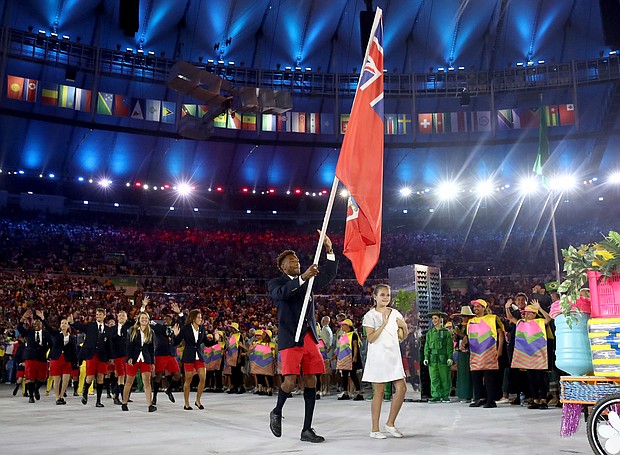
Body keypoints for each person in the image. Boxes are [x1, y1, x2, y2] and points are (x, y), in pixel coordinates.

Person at [268, 230, 337, 443]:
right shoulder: (275, 282)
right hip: (290, 337)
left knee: (311, 379)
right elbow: (282, 295)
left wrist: (329, 250)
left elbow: (327, 277)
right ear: (283, 266)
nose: (296, 261)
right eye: (292, 260)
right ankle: (277, 411)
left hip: (308, 336)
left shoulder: (307, 281)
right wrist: (303, 277)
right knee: (290, 380)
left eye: (297, 259)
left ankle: (306, 429)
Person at [362, 284, 409, 439]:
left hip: (393, 356)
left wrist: (404, 326)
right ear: (375, 297)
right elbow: (371, 338)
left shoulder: (395, 313)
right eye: (382, 295)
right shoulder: (370, 315)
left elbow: (402, 337)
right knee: (379, 392)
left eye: (387, 295)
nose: (385, 297)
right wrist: (383, 324)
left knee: (401, 388)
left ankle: (390, 423)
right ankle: (375, 429)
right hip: (378, 356)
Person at [504, 299, 552, 409]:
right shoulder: (521, 323)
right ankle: (535, 400)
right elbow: (510, 318)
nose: (526, 314)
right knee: (531, 379)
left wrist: (539, 308)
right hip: (527, 356)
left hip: (539, 355)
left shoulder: (539, 321)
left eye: (529, 312)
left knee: (540, 378)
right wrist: (507, 308)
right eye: (525, 313)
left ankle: (543, 400)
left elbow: (548, 319)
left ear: (534, 314)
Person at [173, 309, 218, 410]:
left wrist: (215, 340)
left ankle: (198, 400)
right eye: (198, 317)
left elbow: (206, 343)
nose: (200, 319)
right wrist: (175, 335)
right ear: (193, 318)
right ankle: (186, 403)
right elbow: (176, 342)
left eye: (201, 317)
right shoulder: (185, 328)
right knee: (188, 379)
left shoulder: (202, 328)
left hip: (199, 356)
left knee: (203, 377)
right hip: (189, 356)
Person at [68, 308, 110, 408]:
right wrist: (72, 322)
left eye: (100, 314)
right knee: (90, 377)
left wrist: (110, 357)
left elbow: (109, 344)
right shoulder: (91, 326)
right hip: (91, 354)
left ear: (104, 316)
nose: (98, 316)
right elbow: (81, 327)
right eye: (97, 314)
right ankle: (85, 392)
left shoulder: (107, 329)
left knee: (100, 378)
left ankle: (98, 401)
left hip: (102, 356)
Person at [467, 299, 505, 409]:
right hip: (475, 352)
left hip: (489, 351)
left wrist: (500, 349)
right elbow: (468, 336)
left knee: (489, 378)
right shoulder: (471, 321)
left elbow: (500, 334)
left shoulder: (493, 318)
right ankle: (479, 398)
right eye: (475, 307)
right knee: (476, 377)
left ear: (484, 308)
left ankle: (491, 400)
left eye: (478, 306)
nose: (476, 308)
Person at [121, 311, 156, 412]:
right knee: (129, 381)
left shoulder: (151, 332)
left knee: (147, 382)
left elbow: (151, 348)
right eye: (142, 318)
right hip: (133, 359)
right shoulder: (132, 330)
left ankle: (150, 405)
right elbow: (128, 346)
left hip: (146, 359)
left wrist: (152, 362)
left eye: (146, 318)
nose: (144, 320)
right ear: (139, 319)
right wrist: (129, 357)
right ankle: (124, 402)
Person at [152, 301, 183, 405]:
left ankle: (169, 390)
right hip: (160, 354)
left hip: (171, 355)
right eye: (165, 318)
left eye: (168, 318)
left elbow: (184, 324)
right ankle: (154, 397)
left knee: (177, 375)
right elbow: (148, 321)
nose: (166, 319)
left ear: (171, 319)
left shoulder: (175, 328)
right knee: (158, 376)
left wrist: (179, 313)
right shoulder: (158, 327)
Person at [17, 309, 51, 403]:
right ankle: (31, 396)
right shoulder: (29, 332)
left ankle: (36, 389)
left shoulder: (46, 333)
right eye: (35, 324)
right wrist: (23, 318)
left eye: (38, 323)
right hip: (30, 357)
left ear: (41, 325)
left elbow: (51, 341)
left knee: (42, 378)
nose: (36, 325)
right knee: (30, 378)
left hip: (42, 358)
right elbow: (19, 327)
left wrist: (47, 351)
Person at [47, 317, 78, 405]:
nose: (63, 325)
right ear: (60, 326)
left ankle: (61, 396)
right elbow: (48, 328)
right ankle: (57, 397)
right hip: (56, 359)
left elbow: (74, 350)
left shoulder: (72, 338)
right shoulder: (56, 334)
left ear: (68, 326)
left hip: (67, 359)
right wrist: (42, 318)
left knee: (65, 379)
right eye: (62, 323)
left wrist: (75, 362)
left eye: (65, 323)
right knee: (57, 379)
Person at [424, 311, 453, 403]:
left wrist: (450, 357)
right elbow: (427, 346)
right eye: (433, 319)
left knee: (444, 377)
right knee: (434, 377)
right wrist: (426, 357)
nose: (434, 320)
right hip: (432, 358)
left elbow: (449, 346)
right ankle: (436, 395)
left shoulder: (446, 333)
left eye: (435, 318)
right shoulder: (430, 333)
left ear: (440, 319)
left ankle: (445, 395)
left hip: (443, 358)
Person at [335, 319, 364, 401]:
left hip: (350, 357)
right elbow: (340, 347)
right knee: (344, 376)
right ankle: (346, 392)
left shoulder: (353, 335)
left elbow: (355, 346)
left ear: (348, 326)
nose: (342, 327)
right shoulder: (343, 335)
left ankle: (359, 392)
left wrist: (354, 356)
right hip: (343, 358)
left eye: (343, 325)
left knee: (353, 375)